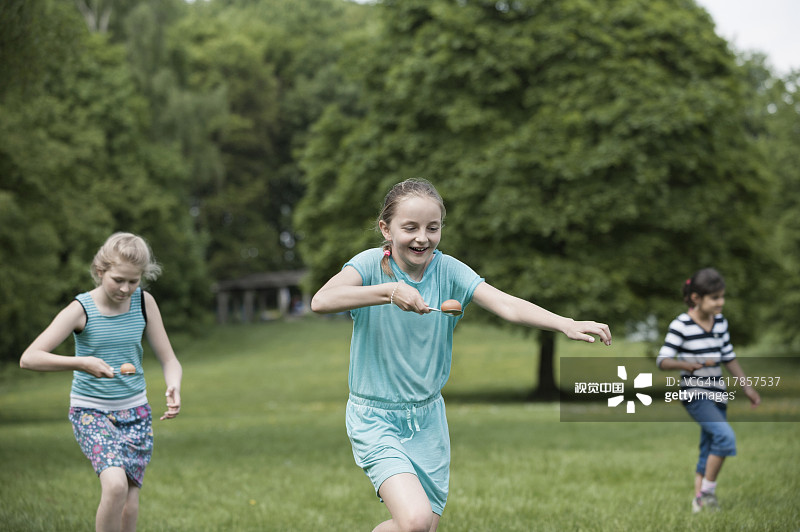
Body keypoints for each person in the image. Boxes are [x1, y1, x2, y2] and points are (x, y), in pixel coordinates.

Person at [311, 178, 612, 532]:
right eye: (410, 227)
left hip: (428, 420)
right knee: (416, 520)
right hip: (375, 418)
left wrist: (563, 323)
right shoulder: (368, 265)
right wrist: (389, 290)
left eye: (432, 227)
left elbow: (504, 303)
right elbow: (321, 301)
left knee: (421, 528)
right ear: (386, 229)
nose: (422, 237)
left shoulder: (449, 270)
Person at [20, 232, 182, 532]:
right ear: (100, 271)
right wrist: (81, 362)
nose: (125, 288)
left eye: (134, 281)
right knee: (116, 487)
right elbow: (30, 357)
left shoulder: (145, 303)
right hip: (91, 413)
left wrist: (174, 385)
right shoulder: (81, 309)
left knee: (130, 505)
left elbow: (169, 359)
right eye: (118, 279)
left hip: (136, 414)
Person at [656, 268, 760, 514]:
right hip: (695, 395)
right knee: (725, 438)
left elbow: (728, 357)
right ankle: (707, 494)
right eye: (715, 297)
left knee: (710, 445)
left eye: (722, 296)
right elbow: (662, 360)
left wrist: (747, 386)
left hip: (718, 393)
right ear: (696, 298)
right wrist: (685, 365)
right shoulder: (681, 325)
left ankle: (699, 503)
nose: (720, 302)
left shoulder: (720, 322)